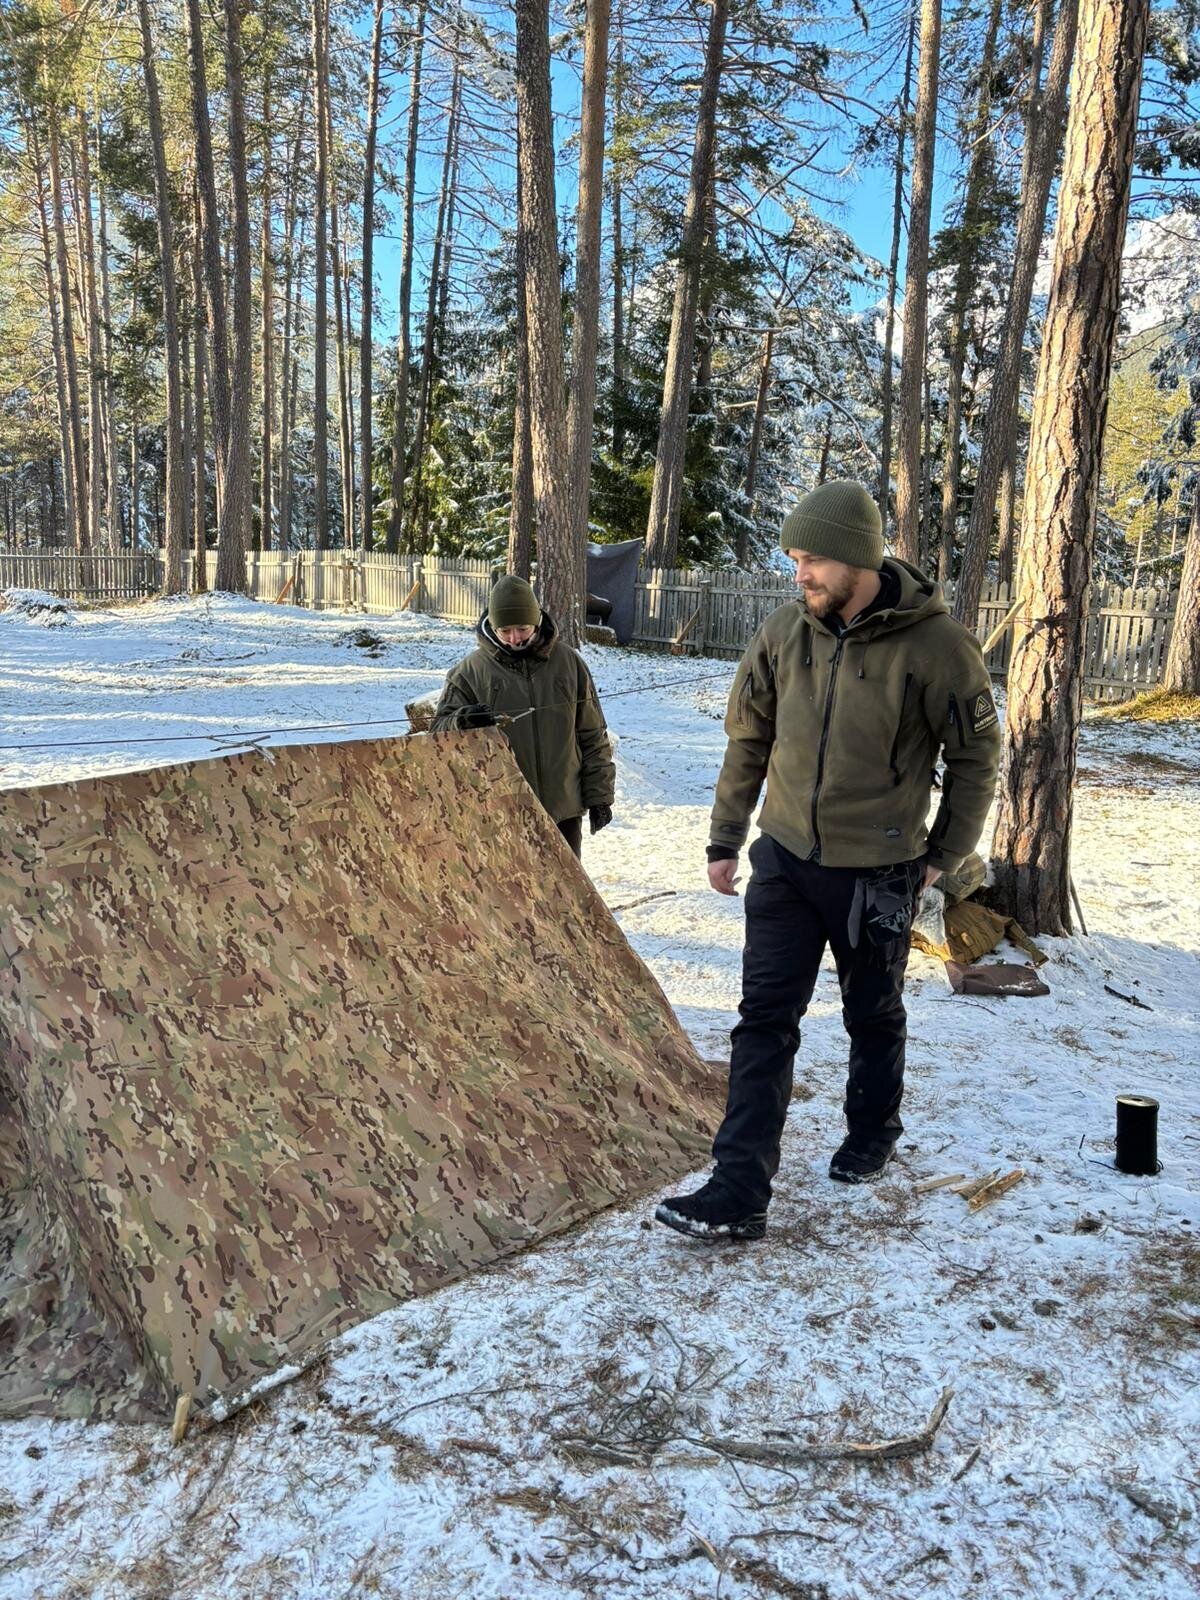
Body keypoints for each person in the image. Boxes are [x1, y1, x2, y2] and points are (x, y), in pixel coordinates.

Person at [656, 479, 1002, 1241]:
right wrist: (725, 837)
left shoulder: (938, 647)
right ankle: (739, 1188)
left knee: (870, 1012)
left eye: (811, 559)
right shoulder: (785, 632)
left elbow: (977, 759)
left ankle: (873, 1131)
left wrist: (942, 855)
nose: (799, 573)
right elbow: (748, 739)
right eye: (794, 558)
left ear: (856, 559)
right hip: (783, 858)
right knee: (763, 1022)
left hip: (878, 870)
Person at [431, 574, 615, 857]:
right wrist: (463, 721)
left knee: (565, 895)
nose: (515, 638)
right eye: (505, 630)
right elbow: (438, 733)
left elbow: (592, 734)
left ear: (537, 621)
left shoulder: (568, 664)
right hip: (500, 809)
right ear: (492, 626)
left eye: (522, 628)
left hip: (563, 808)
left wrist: (600, 797)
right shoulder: (469, 672)